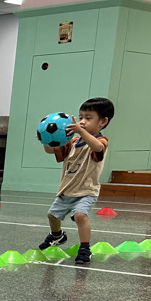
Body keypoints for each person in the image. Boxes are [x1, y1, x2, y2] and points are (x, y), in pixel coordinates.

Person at [37, 97, 114, 265]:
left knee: (80, 216)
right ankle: (57, 236)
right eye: (80, 117)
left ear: (103, 122)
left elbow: (97, 148)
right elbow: (52, 150)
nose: (82, 121)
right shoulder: (72, 142)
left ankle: (85, 248)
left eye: (88, 118)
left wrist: (81, 131)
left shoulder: (101, 141)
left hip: (87, 191)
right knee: (52, 216)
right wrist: (45, 139)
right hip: (67, 189)